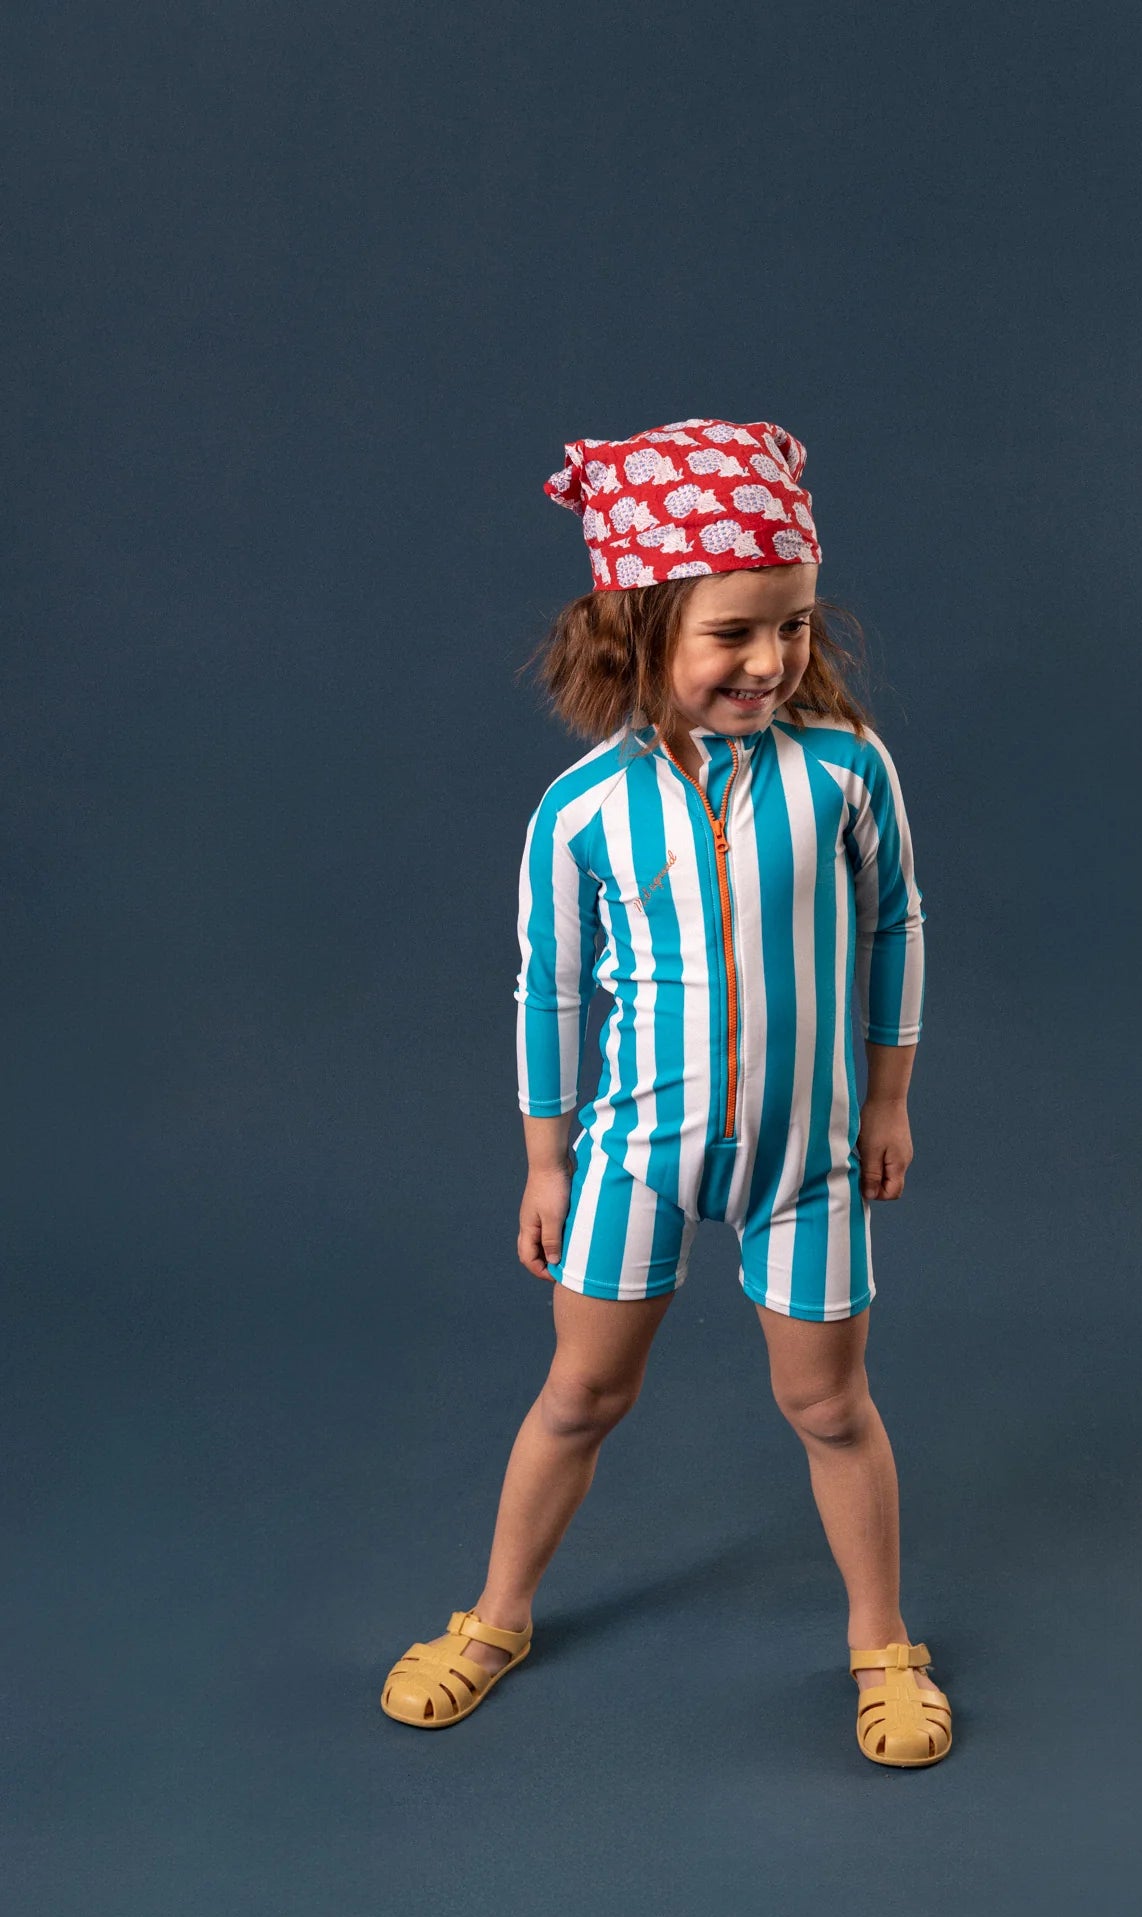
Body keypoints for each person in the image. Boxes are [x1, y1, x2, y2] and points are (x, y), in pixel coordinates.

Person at [380, 417, 952, 1766]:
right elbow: (548, 992)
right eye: (731, 633)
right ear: (633, 632)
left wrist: (887, 1100)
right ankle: (496, 1615)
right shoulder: (581, 808)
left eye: (793, 626)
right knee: (580, 1395)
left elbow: (896, 926)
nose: (770, 660)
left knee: (830, 1407)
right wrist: (545, 1161)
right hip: (633, 1156)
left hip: (808, 1159)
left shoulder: (847, 769)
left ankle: (882, 1643)